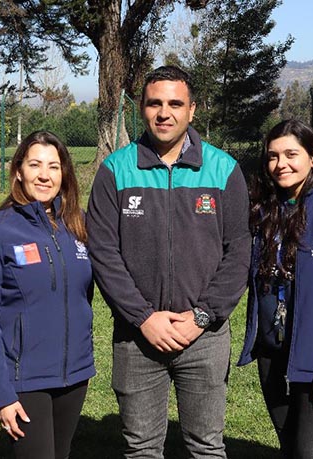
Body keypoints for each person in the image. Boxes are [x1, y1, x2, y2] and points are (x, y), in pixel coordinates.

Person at [86, 65, 250, 458]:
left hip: (205, 337)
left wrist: (202, 317)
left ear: (192, 110)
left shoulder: (223, 169)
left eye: (175, 104)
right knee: (141, 449)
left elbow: (239, 251)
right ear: (141, 108)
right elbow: (104, 253)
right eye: (154, 103)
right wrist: (143, 318)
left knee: (206, 447)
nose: (164, 113)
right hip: (137, 338)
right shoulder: (115, 170)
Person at [237, 119, 313, 458]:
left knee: (309, 452)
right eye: (273, 156)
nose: (281, 164)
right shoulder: (262, 211)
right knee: (290, 447)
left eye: (291, 154)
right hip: (272, 352)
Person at [0, 131, 95, 458]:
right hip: (24, 379)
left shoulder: (77, 224)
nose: (44, 175)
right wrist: (2, 394)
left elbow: (83, 296)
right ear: (18, 171)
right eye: (35, 165)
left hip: (75, 375)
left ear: (64, 173)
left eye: (53, 166)